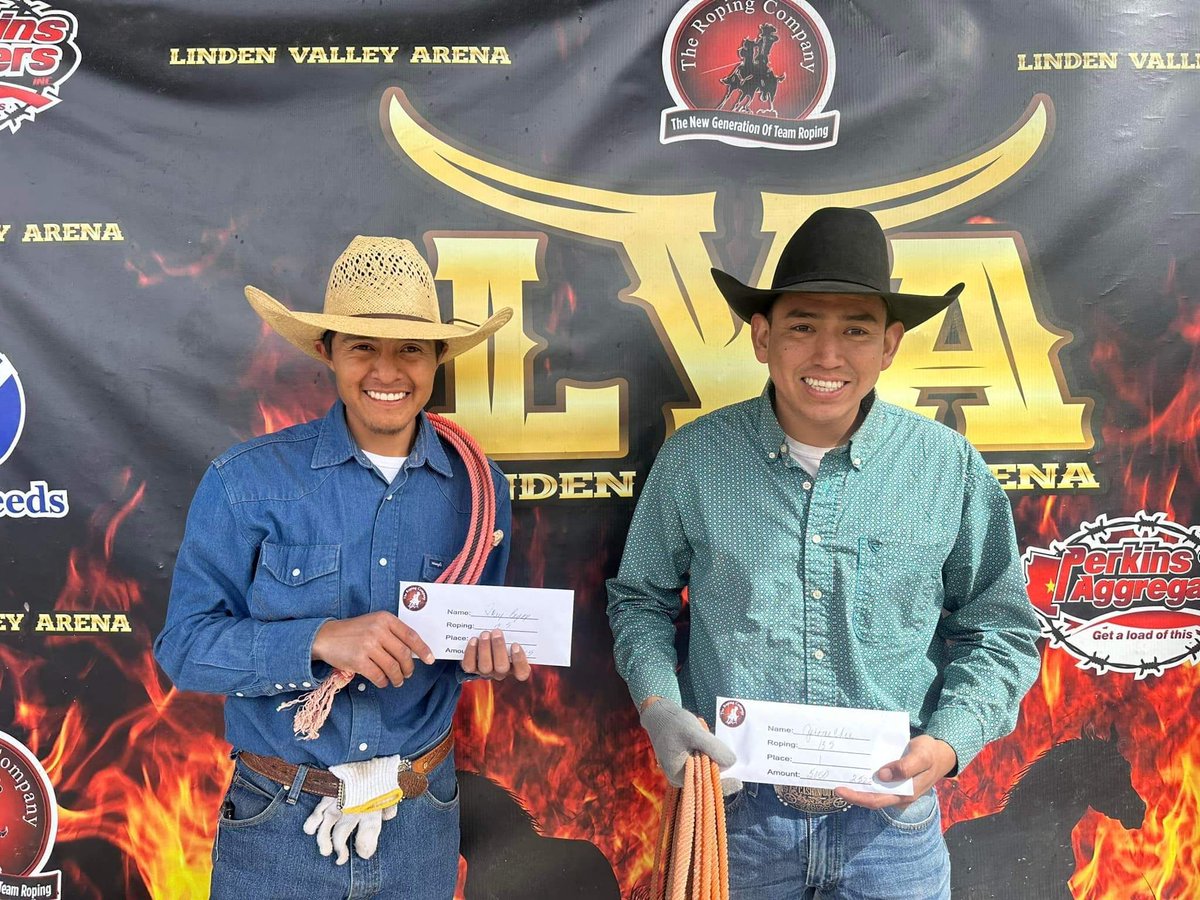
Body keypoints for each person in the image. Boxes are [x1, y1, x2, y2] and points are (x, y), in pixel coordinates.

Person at [607, 207, 1041, 899]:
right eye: (803, 326)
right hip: (736, 822)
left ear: (891, 344)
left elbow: (1003, 629)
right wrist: (659, 703)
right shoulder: (696, 460)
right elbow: (639, 602)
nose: (828, 356)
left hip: (892, 830)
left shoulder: (946, 466)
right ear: (761, 336)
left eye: (857, 330)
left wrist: (951, 741)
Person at [155, 236, 530, 899]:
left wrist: (486, 655)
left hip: (420, 822)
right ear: (327, 351)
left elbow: (463, 638)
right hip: (278, 826)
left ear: (438, 357)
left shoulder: (479, 490)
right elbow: (183, 649)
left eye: (410, 349)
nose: (388, 371)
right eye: (363, 347)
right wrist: (318, 639)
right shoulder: (245, 482)